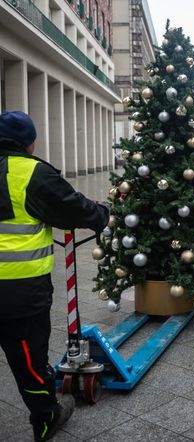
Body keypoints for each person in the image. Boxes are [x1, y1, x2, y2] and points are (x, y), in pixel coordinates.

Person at [0, 111, 109, 441]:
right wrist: (101, 214)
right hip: (19, 290)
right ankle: (45, 417)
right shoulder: (32, 172)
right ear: (30, 143)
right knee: (27, 358)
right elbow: (71, 207)